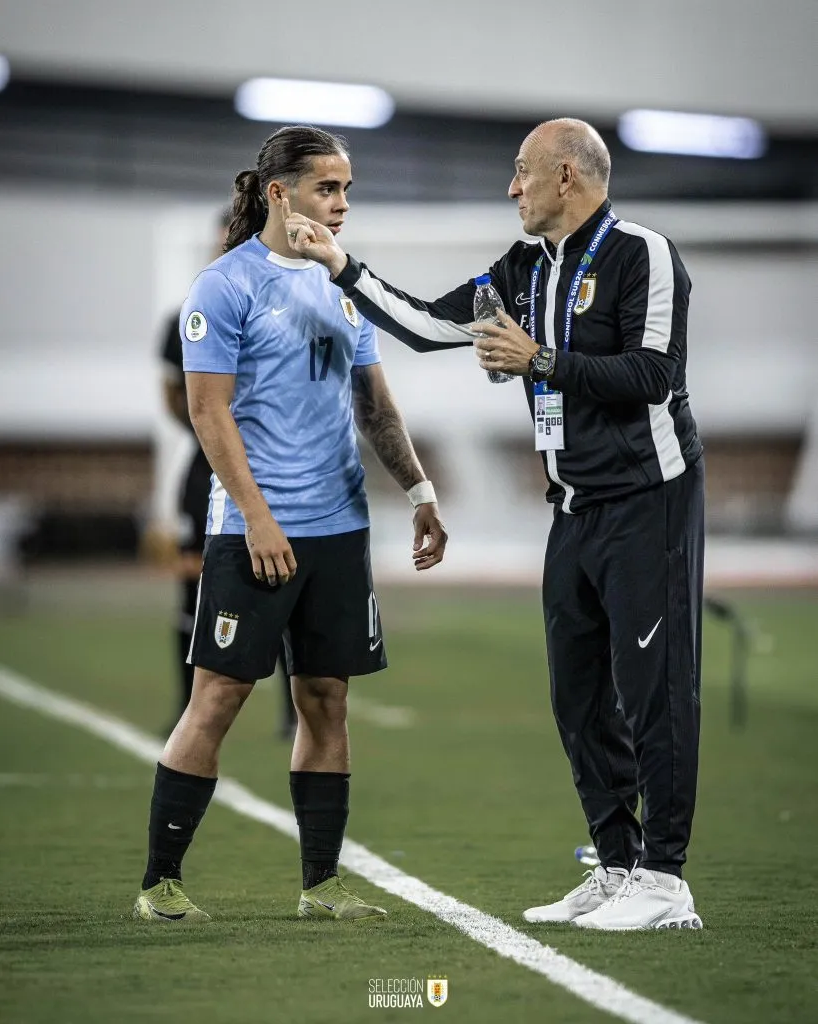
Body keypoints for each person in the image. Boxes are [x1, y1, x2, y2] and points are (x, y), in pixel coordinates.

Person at [285, 118, 705, 931]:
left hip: (648, 501)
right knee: (577, 696)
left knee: (653, 693)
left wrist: (540, 360)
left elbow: (655, 374)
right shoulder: (520, 270)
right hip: (572, 506)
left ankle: (664, 879)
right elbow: (428, 325)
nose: (511, 188)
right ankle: (617, 865)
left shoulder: (640, 253)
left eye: (522, 171)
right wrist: (341, 266)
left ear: (567, 176)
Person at [132, 125, 447, 924]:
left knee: (326, 698)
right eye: (326, 188)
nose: (340, 204)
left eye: (346, 190)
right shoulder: (224, 286)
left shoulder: (345, 281)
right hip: (254, 530)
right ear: (279, 192)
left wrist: (418, 491)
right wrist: (257, 517)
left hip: (339, 528)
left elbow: (375, 406)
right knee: (219, 697)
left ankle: (321, 885)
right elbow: (207, 415)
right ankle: (159, 883)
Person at [157, 209, 297, 740]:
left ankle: (295, 711)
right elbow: (177, 396)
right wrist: (214, 428)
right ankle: (186, 706)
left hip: (276, 469)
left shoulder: (289, 310)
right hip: (207, 467)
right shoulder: (189, 314)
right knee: (191, 582)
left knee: (282, 580)